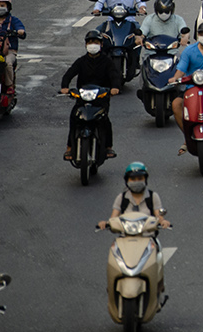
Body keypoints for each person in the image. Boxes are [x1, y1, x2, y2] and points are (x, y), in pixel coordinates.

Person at [60, 30, 122, 160]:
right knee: (74, 118)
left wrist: (115, 88)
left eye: (95, 42)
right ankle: (69, 148)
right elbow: (69, 74)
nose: (92, 45)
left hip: (100, 97)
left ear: (101, 44)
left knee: (104, 120)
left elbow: (114, 75)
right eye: (90, 42)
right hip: (82, 97)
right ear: (85, 45)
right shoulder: (81, 61)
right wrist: (65, 87)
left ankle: (108, 147)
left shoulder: (107, 61)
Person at [100, 162, 170, 230]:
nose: (136, 182)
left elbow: (158, 216)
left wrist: (163, 222)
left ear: (145, 179)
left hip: (148, 236)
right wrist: (106, 223)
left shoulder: (153, 196)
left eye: (140, 179)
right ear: (127, 181)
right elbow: (113, 218)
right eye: (133, 179)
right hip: (125, 237)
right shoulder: (121, 198)